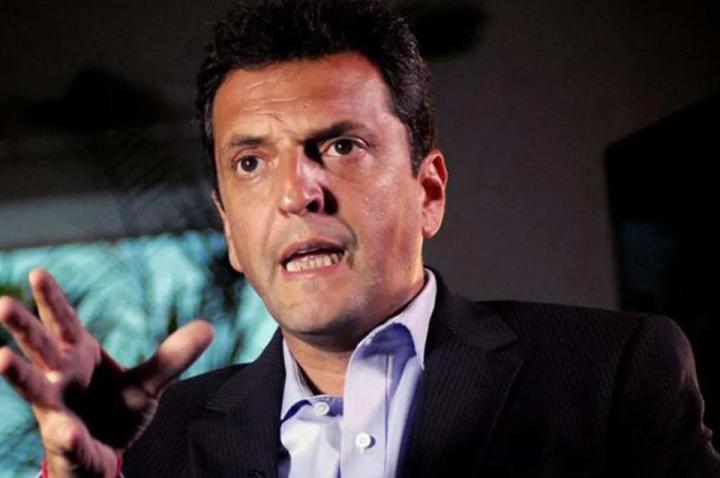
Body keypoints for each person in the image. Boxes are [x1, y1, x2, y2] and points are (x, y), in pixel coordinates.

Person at [1, 0, 718, 476]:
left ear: (428, 192)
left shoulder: (612, 374)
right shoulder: (150, 445)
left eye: (341, 146)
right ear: (230, 231)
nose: (297, 193)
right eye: (251, 163)